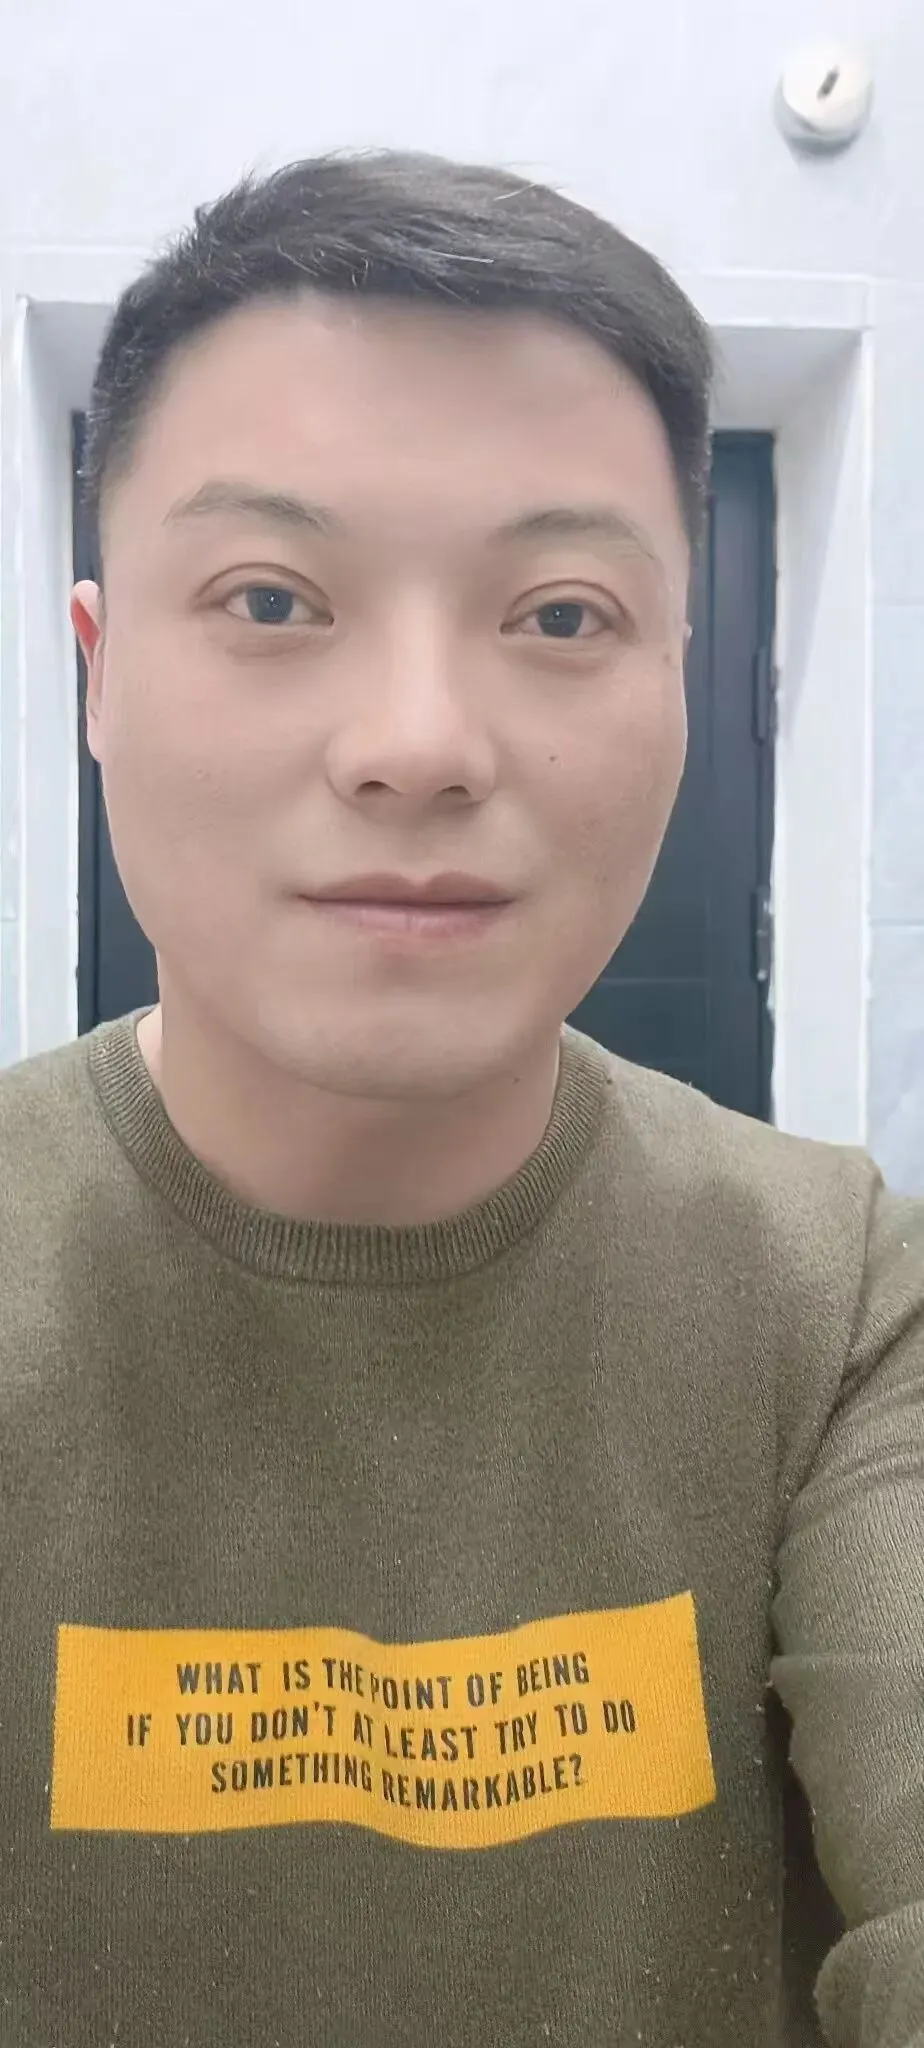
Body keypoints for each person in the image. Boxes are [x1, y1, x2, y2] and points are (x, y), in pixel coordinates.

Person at [0, 148, 921, 2048]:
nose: (417, 745)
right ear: (97, 677)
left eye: (562, 615)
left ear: (684, 682)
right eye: (271, 597)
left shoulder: (837, 1300)